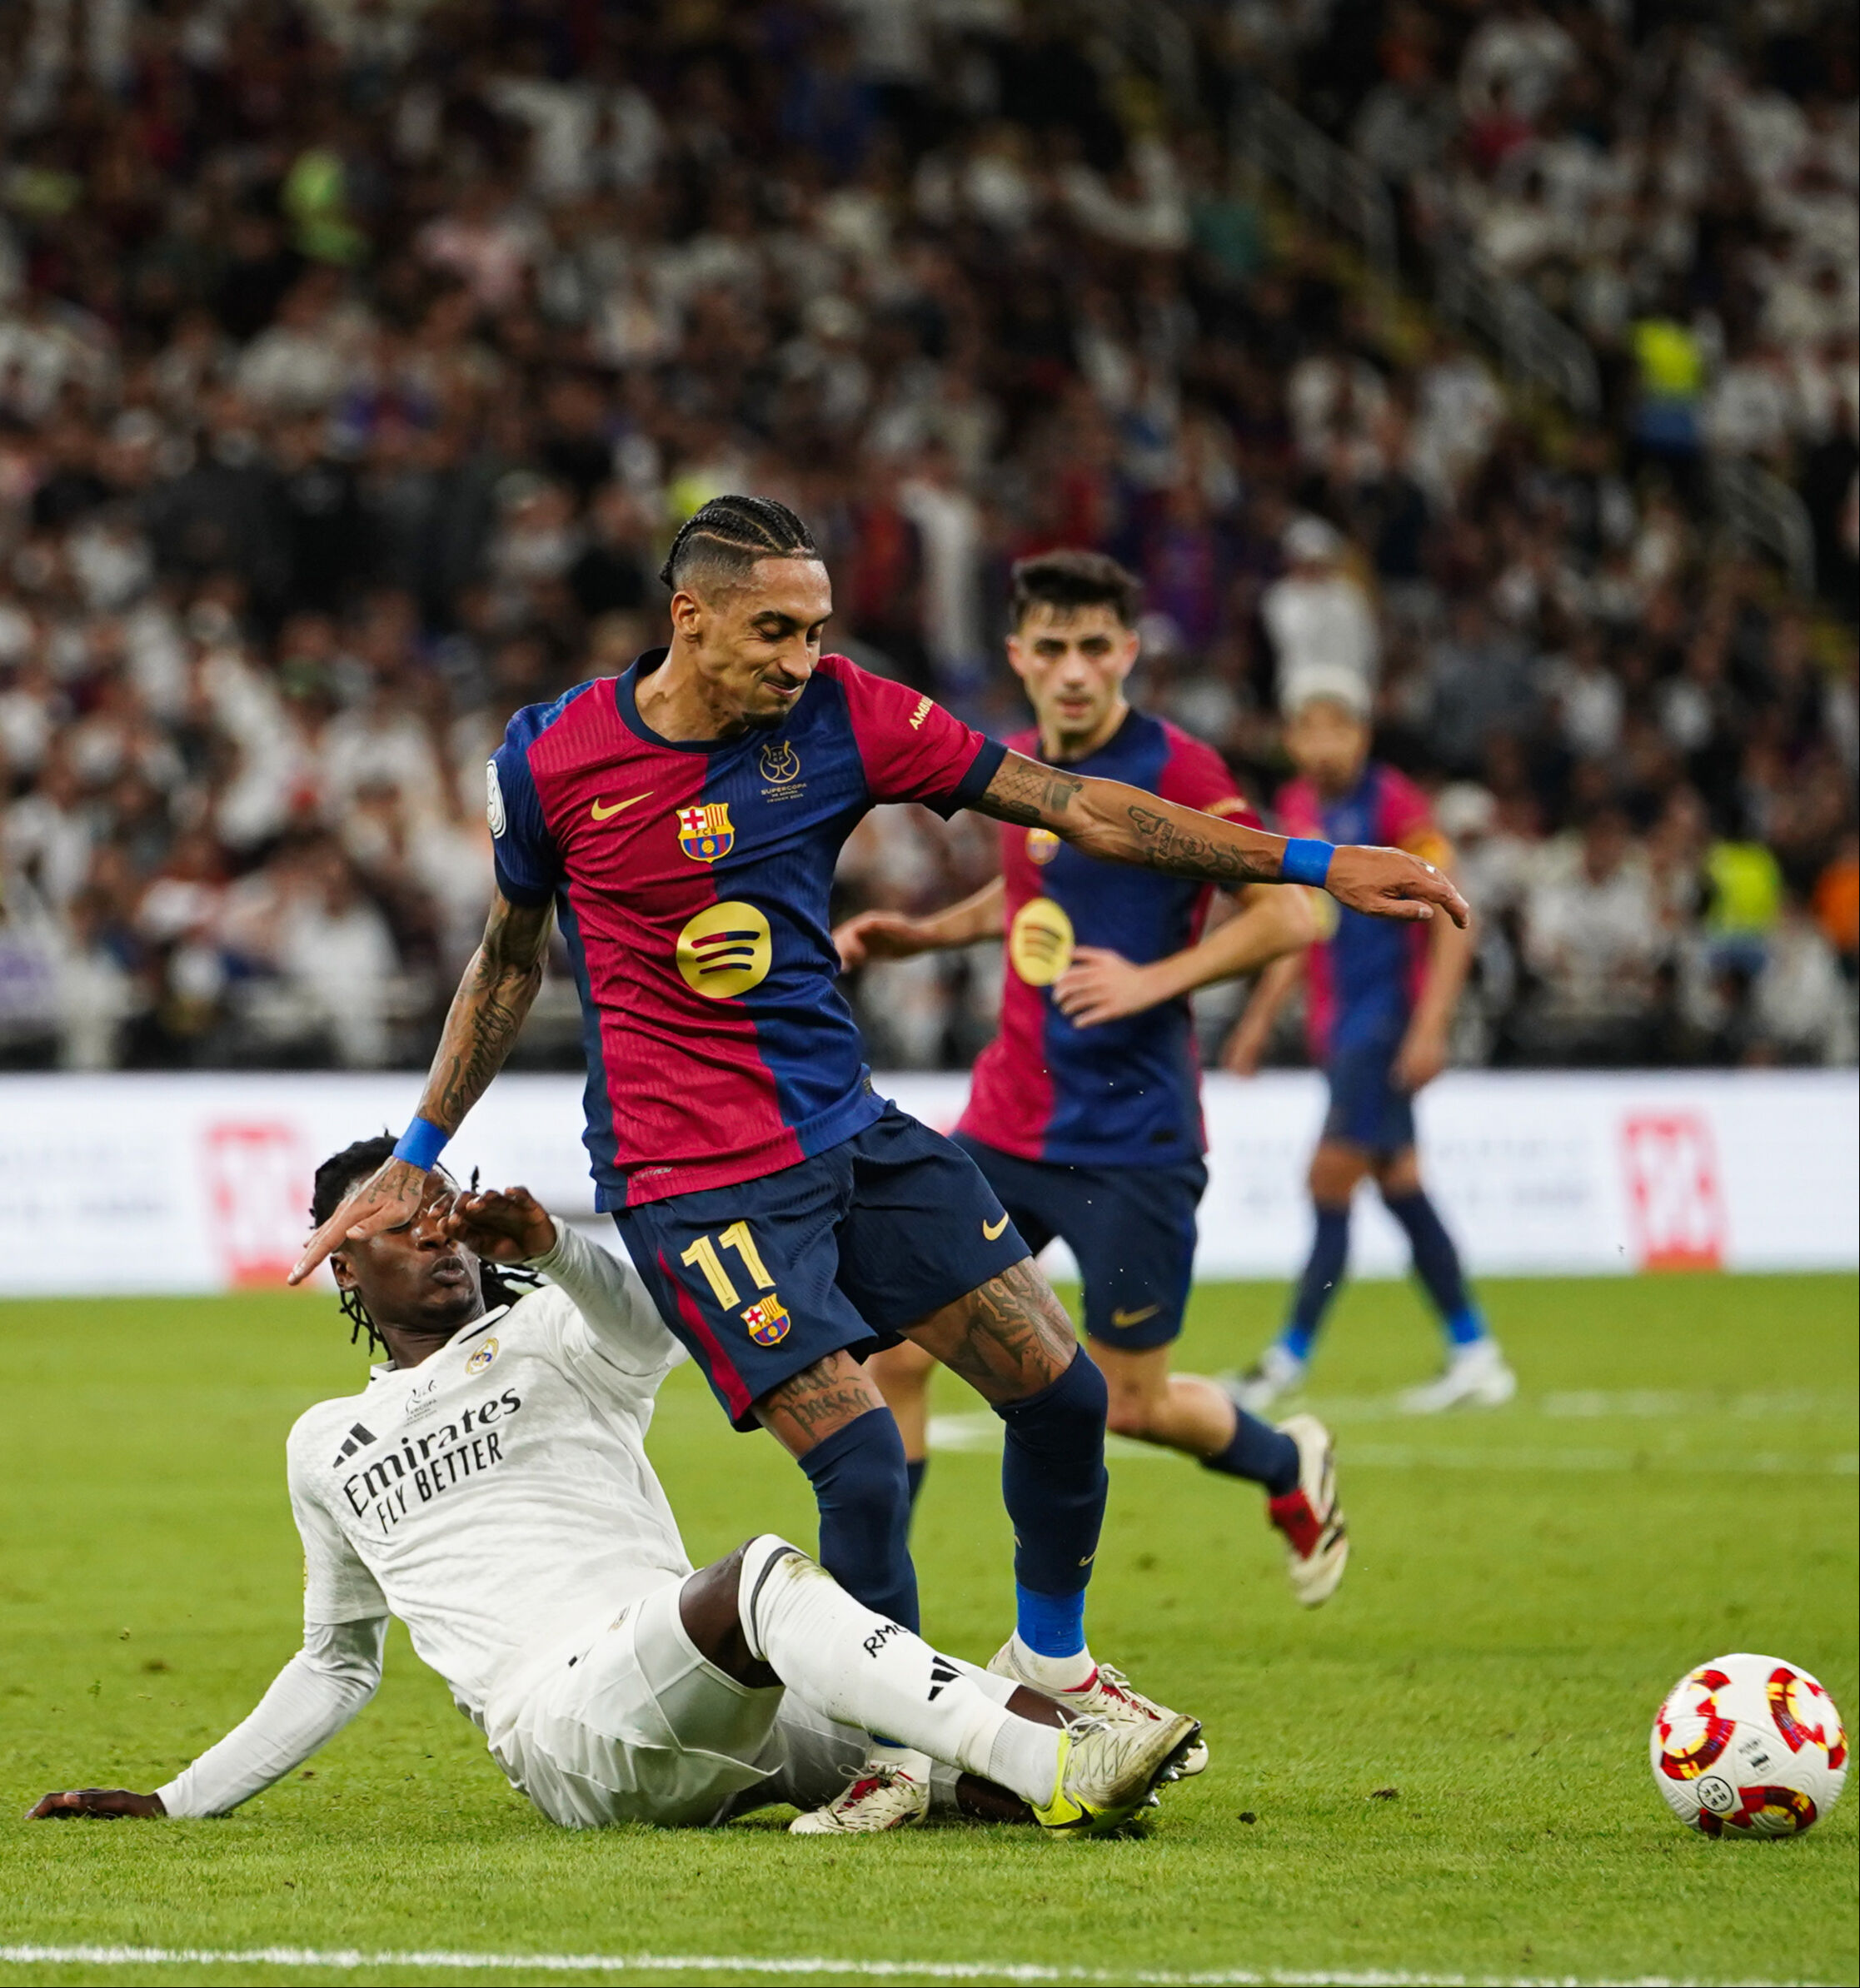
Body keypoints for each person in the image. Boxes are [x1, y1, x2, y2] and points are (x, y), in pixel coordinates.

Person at [292, 496, 1464, 1827]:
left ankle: (1054, 1666)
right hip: (691, 1181)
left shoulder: (844, 714)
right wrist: (422, 1145)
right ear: (692, 617)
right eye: (774, 629)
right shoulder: (552, 756)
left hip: (849, 1135)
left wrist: (1312, 859)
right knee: (857, 1460)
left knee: (1070, 1397)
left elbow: (1074, 804)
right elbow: (510, 955)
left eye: (816, 629)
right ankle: (891, 1753)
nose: (802, 657)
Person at [31, 1138, 1199, 1840]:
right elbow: (338, 1660)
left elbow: (649, 1325)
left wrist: (553, 1244)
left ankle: (1069, 1751)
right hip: (568, 1725)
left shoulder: (556, 1326)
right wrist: (177, 1800)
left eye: (450, 1218)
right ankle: (1064, 1754)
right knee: (763, 1577)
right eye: (402, 1227)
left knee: (959, 1773)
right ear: (344, 1260)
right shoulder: (325, 1440)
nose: (442, 1242)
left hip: (716, 1692)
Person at [834, 551, 1348, 1607]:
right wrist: (922, 936)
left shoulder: (1181, 772)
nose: (1074, 669)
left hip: (1135, 1144)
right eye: (1053, 648)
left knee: (1129, 1401)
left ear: (1129, 654)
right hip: (1005, 1127)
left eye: (1094, 647)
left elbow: (1294, 911)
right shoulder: (1019, 762)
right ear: (1020, 656)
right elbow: (1023, 893)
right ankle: (878, 1614)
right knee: (899, 1352)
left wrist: (1157, 975)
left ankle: (1282, 1461)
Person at [1227, 670, 1515, 1413]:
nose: (1323, 744)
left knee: (1326, 1181)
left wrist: (1429, 1026)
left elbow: (1456, 913)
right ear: (1290, 739)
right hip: (1339, 1025)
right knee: (1400, 1185)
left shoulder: (1394, 804)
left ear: (1362, 735)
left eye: (1339, 728)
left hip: (1383, 1023)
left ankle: (1284, 1360)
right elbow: (1300, 926)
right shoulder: (1294, 808)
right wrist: (1261, 1016)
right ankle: (1474, 1349)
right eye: (1309, 729)